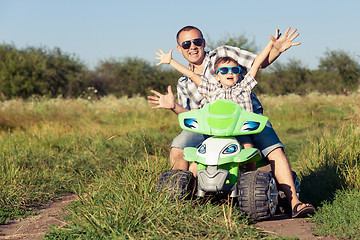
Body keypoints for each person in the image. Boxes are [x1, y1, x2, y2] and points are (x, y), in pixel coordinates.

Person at [148, 26, 315, 218]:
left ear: (204, 42)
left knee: (271, 149)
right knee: (181, 148)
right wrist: (173, 105)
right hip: (210, 125)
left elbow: (258, 64)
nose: (193, 47)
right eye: (187, 44)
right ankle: (180, 202)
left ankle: (294, 202)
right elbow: (191, 115)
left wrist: (274, 48)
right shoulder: (189, 83)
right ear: (180, 48)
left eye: (197, 42)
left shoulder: (224, 57)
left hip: (247, 121)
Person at [151, 31, 278, 171]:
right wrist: (171, 62)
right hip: (215, 130)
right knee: (195, 166)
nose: (230, 73)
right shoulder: (212, 90)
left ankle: (249, 178)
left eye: (234, 70)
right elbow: (192, 75)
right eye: (224, 71)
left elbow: (257, 63)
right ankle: (188, 190)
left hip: (240, 130)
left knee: (248, 149)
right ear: (216, 76)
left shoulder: (244, 87)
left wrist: (272, 44)